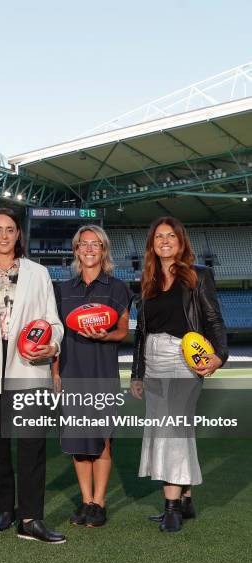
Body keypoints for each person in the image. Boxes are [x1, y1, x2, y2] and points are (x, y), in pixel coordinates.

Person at [0, 207, 66, 544]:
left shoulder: (39, 273)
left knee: (32, 445)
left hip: (28, 367)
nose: (4, 236)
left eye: (10, 230)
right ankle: (5, 509)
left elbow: (54, 322)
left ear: (19, 234)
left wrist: (53, 348)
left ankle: (31, 519)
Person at [130, 217, 228, 532]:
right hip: (154, 361)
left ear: (181, 240)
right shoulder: (146, 281)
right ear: (152, 244)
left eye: (171, 235)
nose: (165, 240)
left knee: (172, 428)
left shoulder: (199, 276)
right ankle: (184, 499)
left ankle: (171, 506)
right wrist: (137, 372)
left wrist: (219, 356)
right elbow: (141, 333)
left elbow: (213, 318)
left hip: (184, 360)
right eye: (159, 236)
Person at [53, 225, 131, 528]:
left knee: (101, 442)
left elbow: (123, 331)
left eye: (95, 244)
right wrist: (55, 372)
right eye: (83, 244)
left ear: (104, 250)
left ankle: (100, 503)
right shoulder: (62, 290)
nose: (88, 249)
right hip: (72, 372)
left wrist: (106, 334)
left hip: (101, 373)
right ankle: (85, 502)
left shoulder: (118, 288)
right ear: (75, 250)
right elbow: (56, 336)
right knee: (77, 443)